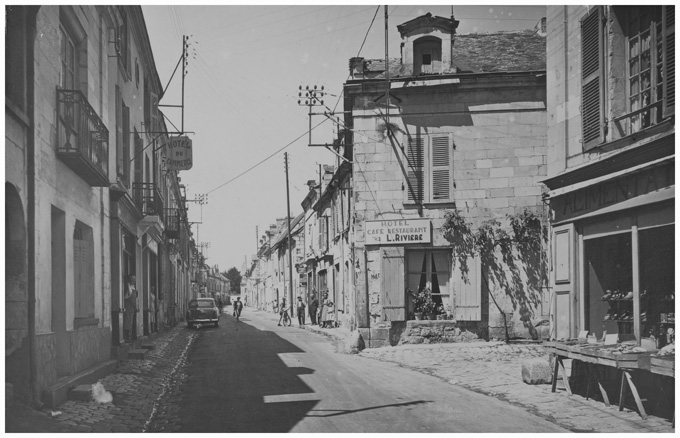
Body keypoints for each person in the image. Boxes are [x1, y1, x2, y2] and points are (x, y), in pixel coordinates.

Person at [123, 275, 138, 341]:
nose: (133, 281)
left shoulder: (134, 287)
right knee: (127, 322)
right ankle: (127, 337)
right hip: (127, 307)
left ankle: (131, 336)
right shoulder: (127, 286)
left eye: (134, 280)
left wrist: (137, 306)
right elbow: (125, 297)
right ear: (129, 279)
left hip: (132, 308)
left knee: (131, 322)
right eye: (132, 279)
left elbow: (136, 298)